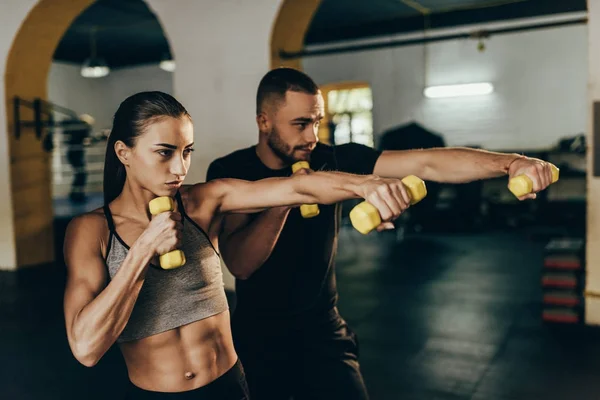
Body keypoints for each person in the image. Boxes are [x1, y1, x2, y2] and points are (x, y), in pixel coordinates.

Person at [205, 68, 555, 400]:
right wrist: (292, 194)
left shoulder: (334, 158)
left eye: (316, 122)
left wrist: (510, 163)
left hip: (323, 327)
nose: (312, 136)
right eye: (300, 124)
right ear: (263, 121)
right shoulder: (231, 171)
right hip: (258, 333)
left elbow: (427, 163)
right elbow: (241, 265)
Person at [62, 91, 415, 400]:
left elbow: (296, 188)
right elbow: (86, 349)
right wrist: (141, 252)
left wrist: (366, 185)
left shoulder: (202, 203)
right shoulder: (92, 230)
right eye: (164, 152)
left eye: (187, 152)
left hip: (230, 387)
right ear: (124, 152)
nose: (180, 167)